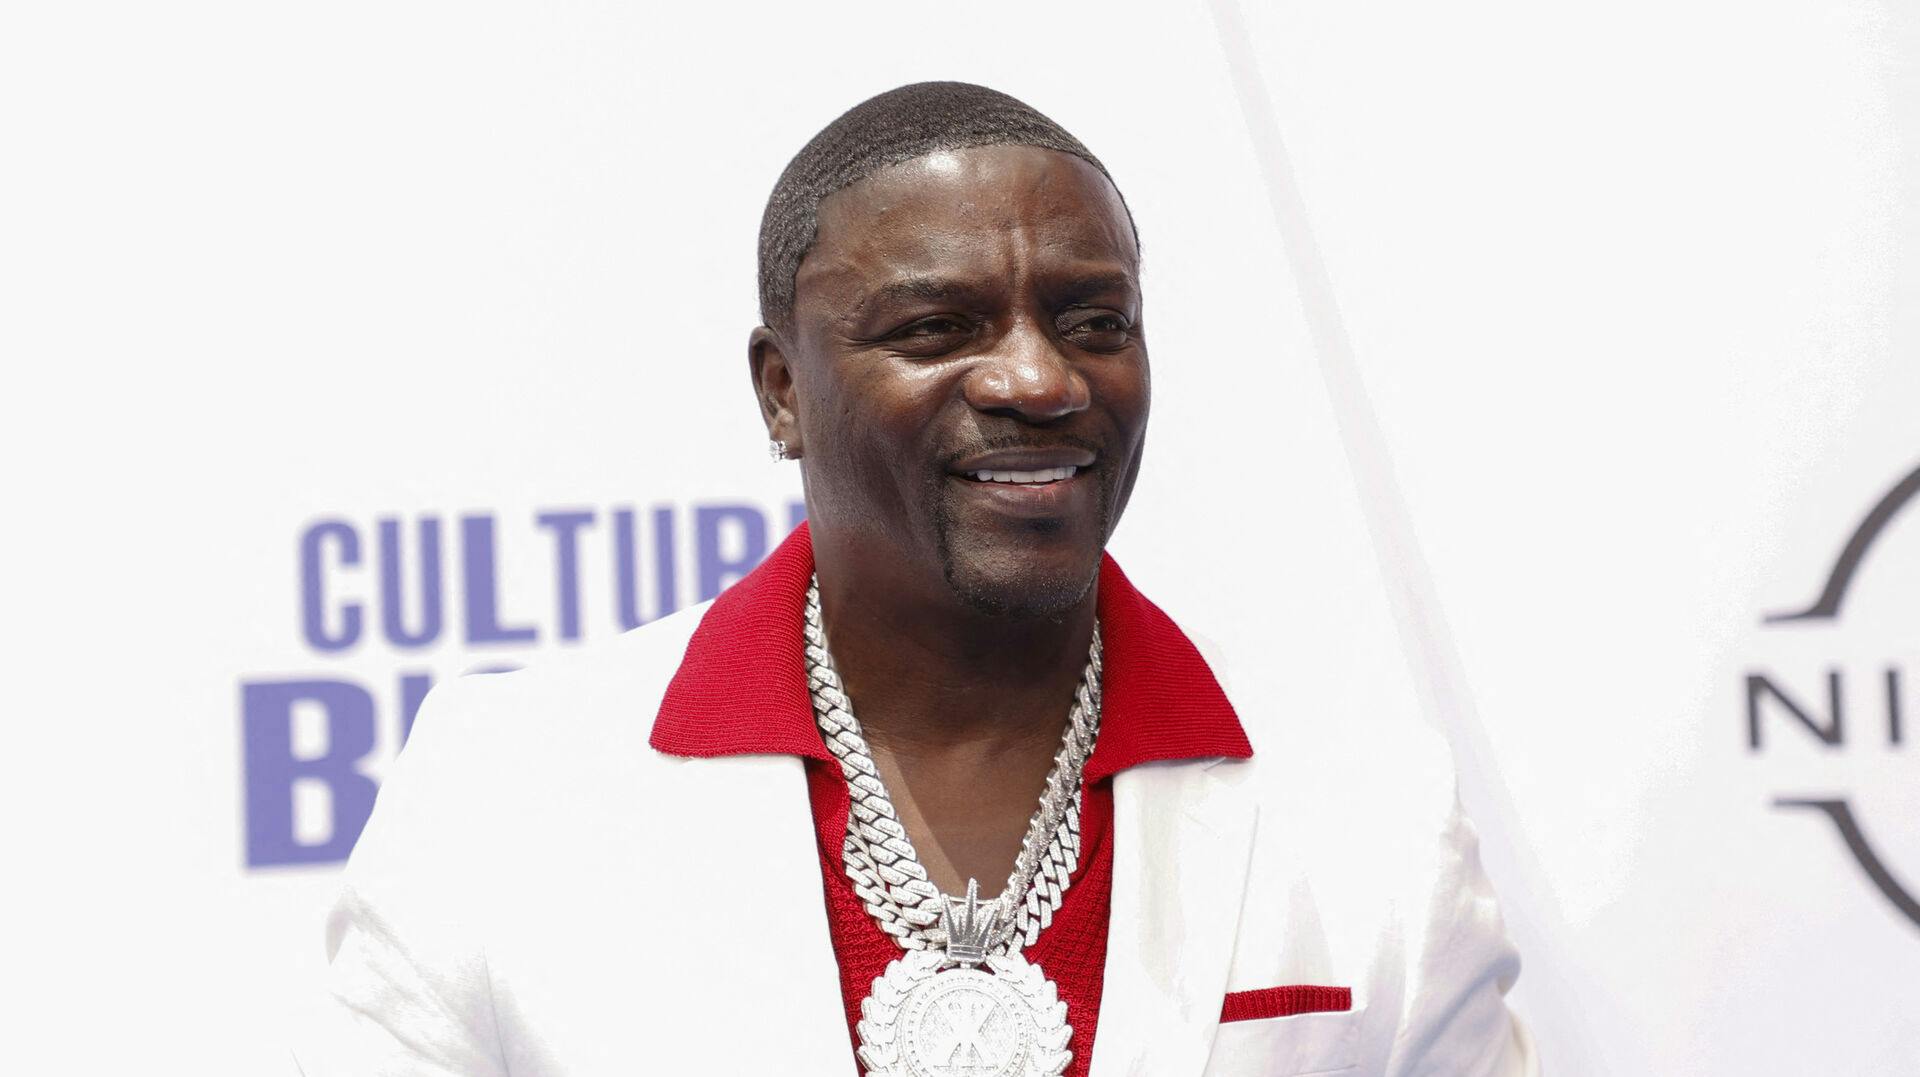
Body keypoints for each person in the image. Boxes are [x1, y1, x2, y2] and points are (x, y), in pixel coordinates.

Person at [295, 81, 1539, 1076]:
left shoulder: (1369, 818)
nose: (1039, 381)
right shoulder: (504, 796)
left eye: (1094, 321)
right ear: (782, 390)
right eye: (938, 329)